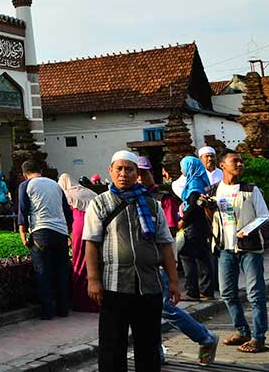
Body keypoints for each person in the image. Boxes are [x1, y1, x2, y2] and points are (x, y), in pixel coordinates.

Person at [83, 150, 181, 372]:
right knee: (112, 345)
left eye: (129, 169)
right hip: (114, 286)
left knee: (148, 345)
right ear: (110, 171)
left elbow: (165, 244)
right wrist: (93, 280)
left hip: (149, 286)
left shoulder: (153, 205)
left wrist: (174, 281)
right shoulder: (100, 204)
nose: (123, 173)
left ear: (137, 173)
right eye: (119, 168)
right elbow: (91, 243)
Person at [138, 159, 218, 366]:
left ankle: (204, 337)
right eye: (133, 172)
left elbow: (169, 235)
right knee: (144, 313)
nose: (137, 177)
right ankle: (156, 352)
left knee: (164, 308)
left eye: (143, 173)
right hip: (135, 267)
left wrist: (171, 273)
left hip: (157, 264)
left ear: (151, 174)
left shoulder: (161, 199)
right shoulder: (128, 199)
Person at [209, 151, 269, 354]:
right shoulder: (213, 190)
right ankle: (241, 330)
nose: (239, 164)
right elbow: (211, 218)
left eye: (241, 161)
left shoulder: (251, 190)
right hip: (225, 249)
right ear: (222, 165)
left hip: (250, 249)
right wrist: (206, 207)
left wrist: (248, 230)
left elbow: (264, 215)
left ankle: (258, 338)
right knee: (227, 293)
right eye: (234, 161)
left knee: (255, 294)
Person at [17, 159, 72, 319]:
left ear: (24, 174)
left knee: (43, 272)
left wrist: (23, 234)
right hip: (61, 233)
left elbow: (23, 210)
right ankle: (63, 309)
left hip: (41, 233)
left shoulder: (26, 185)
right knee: (62, 271)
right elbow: (67, 212)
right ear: (41, 170)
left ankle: (47, 312)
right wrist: (68, 233)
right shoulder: (56, 185)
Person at [176, 156, 215, 301]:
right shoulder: (201, 180)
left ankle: (192, 291)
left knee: (187, 256)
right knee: (203, 256)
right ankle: (207, 290)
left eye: (183, 166)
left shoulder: (194, 183)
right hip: (202, 225)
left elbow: (194, 205)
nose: (182, 170)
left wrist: (183, 221)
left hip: (194, 226)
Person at [57, 173, 98, 313]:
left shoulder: (66, 194)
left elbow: (65, 215)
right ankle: (97, 301)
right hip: (95, 227)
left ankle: (82, 301)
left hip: (78, 227)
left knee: (79, 263)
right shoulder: (89, 192)